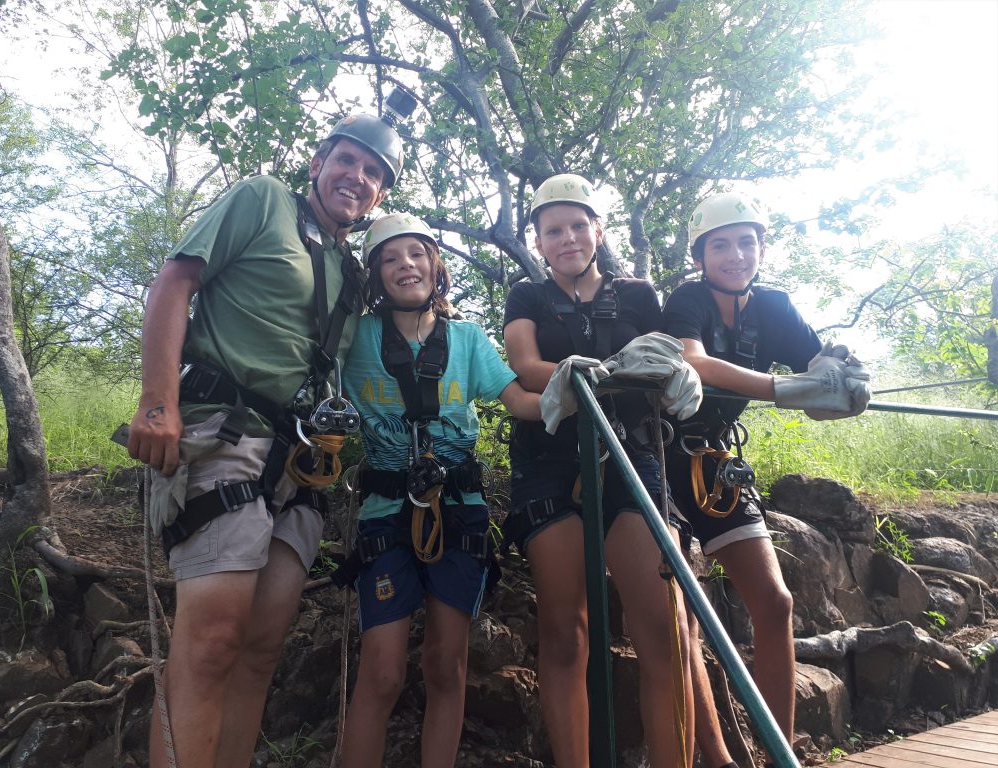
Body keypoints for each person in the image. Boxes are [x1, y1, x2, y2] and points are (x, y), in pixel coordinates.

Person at [126, 99, 410, 768]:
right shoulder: (261, 200)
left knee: (260, 647)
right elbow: (177, 280)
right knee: (213, 640)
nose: (357, 176)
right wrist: (157, 401)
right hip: (224, 430)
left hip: (302, 464)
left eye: (374, 172)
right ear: (318, 163)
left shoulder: (350, 270)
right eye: (347, 159)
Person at [661, 191, 871, 768]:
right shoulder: (687, 299)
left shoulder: (774, 307)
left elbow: (817, 370)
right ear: (701, 255)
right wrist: (783, 389)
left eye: (746, 242)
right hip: (657, 459)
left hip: (716, 461)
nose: (735, 254)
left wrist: (843, 380)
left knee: (775, 603)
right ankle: (717, 757)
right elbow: (694, 361)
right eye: (721, 244)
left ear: (761, 248)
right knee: (681, 616)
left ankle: (781, 752)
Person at [502, 173, 704, 768]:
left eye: (577, 226)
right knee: (565, 634)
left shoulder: (638, 296)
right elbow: (524, 364)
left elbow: (666, 356)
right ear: (539, 242)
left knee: (663, 632)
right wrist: (577, 371)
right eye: (553, 230)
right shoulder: (527, 296)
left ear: (597, 230)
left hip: (631, 455)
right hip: (552, 457)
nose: (567, 239)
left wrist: (672, 372)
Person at [336, 212, 541, 767]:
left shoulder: (469, 340)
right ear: (375, 274)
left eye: (417, 254)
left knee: (446, 664)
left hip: (459, 511)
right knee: (382, 672)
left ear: (435, 264)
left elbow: (519, 400)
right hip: (385, 512)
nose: (406, 265)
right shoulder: (355, 338)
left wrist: (570, 389)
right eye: (391, 258)